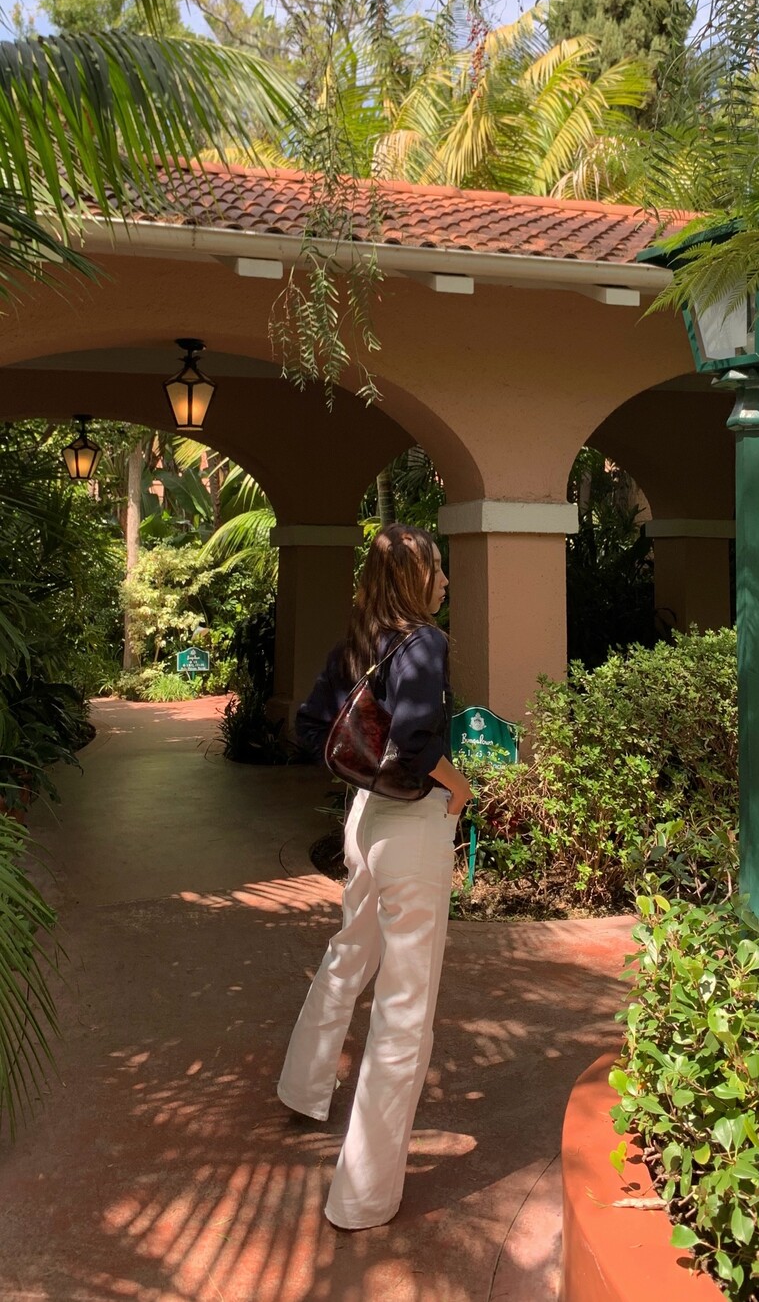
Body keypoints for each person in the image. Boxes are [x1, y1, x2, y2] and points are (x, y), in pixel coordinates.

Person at [277, 523, 473, 1231]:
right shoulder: (423, 643)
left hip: (363, 822)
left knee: (350, 952)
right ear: (413, 580)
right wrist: (458, 784)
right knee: (404, 1009)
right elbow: (416, 740)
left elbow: (311, 726)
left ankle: (302, 1087)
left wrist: (365, 769)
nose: (444, 580)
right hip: (410, 826)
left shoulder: (358, 643)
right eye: (437, 569)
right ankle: (362, 1196)